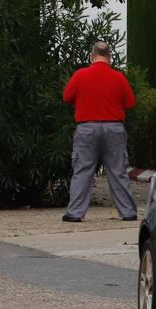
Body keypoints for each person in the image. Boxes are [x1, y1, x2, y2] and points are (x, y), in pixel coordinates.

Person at [61, 41, 137, 223]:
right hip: (114, 129)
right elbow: (130, 103)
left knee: (83, 170)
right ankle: (128, 212)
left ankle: (75, 213)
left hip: (87, 128)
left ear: (91, 56)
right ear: (109, 58)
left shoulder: (80, 75)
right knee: (118, 171)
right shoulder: (119, 77)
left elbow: (67, 97)